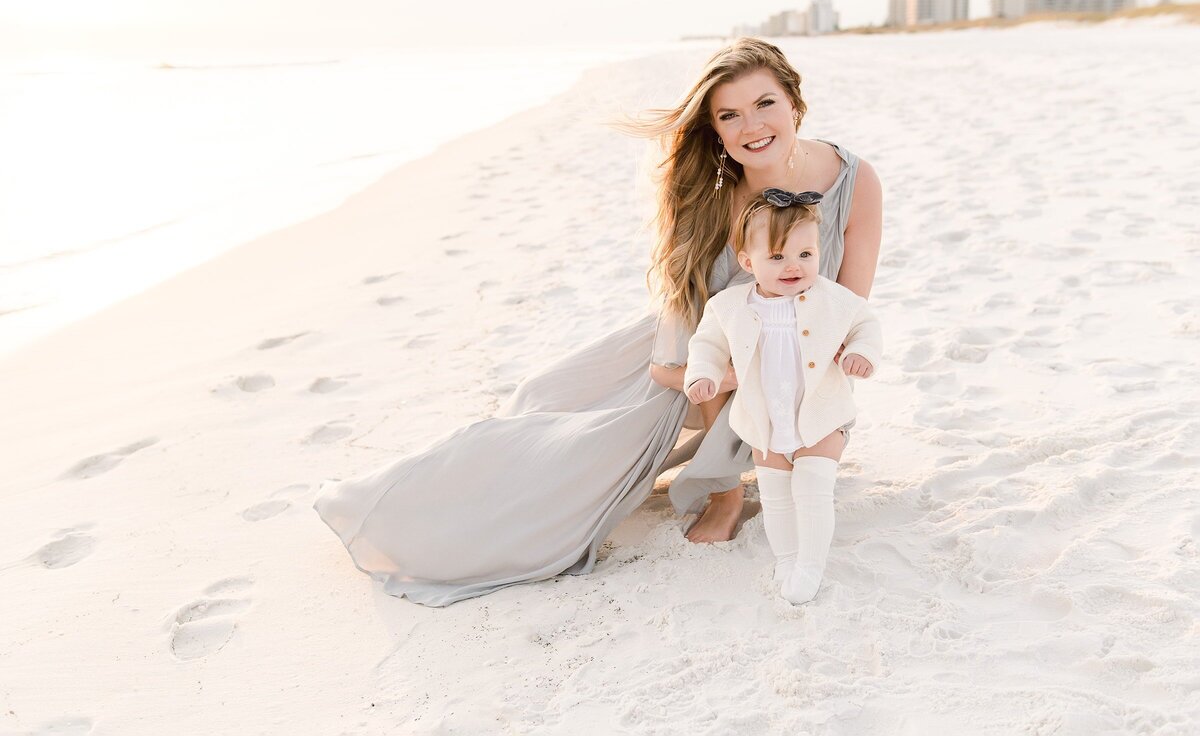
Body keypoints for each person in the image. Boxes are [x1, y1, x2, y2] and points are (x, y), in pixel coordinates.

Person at [312, 37, 882, 607]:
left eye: (765, 104)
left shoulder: (855, 181)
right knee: (555, 433)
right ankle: (407, 509)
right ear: (714, 130)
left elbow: (845, 312)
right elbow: (687, 317)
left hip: (794, 352)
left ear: (794, 103)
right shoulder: (713, 196)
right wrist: (723, 484)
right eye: (728, 115)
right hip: (698, 355)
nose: (750, 127)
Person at [683, 190, 882, 603]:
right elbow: (707, 345)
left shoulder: (831, 297)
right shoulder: (728, 306)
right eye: (776, 257)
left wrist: (862, 352)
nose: (794, 266)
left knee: (811, 488)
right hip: (765, 420)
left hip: (822, 414)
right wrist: (703, 373)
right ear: (747, 261)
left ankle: (810, 564)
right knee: (776, 495)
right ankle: (787, 558)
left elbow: (865, 324)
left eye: (805, 255)